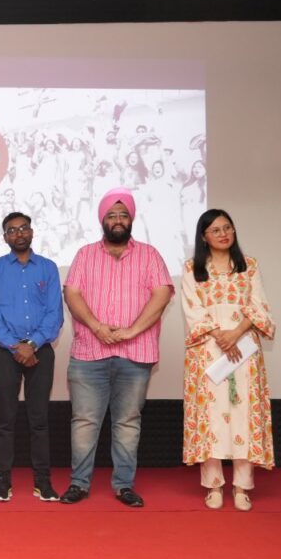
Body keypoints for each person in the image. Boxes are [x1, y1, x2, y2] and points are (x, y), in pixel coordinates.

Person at [60, 187, 173, 508]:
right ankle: (79, 484)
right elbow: (72, 294)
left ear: (131, 219)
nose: (118, 220)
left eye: (124, 214)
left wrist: (132, 331)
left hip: (135, 355)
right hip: (89, 354)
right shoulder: (85, 254)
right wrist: (97, 327)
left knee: (127, 422)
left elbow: (162, 293)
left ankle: (124, 485)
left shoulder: (149, 255)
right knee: (85, 422)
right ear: (103, 220)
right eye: (112, 215)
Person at [181, 209, 275, 511]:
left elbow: (259, 305)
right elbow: (192, 308)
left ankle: (242, 486)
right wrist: (219, 336)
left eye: (227, 228)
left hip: (244, 349)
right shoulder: (193, 268)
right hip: (207, 350)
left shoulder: (249, 265)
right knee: (210, 417)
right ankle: (213, 485)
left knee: (243, 415)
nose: (223, 234)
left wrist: (235, 333)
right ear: (204, 237)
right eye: (216, 230)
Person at [0, 212, 64, 502]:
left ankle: (43, 482)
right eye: (12, 230)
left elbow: (55, 313)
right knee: (5, 420)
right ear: (5, 237)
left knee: (39, 420)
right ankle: (2, 483)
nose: (19, 234)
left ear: (32, 232)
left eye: (24, 228)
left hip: (40, 351)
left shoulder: (48, 268)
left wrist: (32, 344)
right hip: (6, 352)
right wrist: (15, 346)